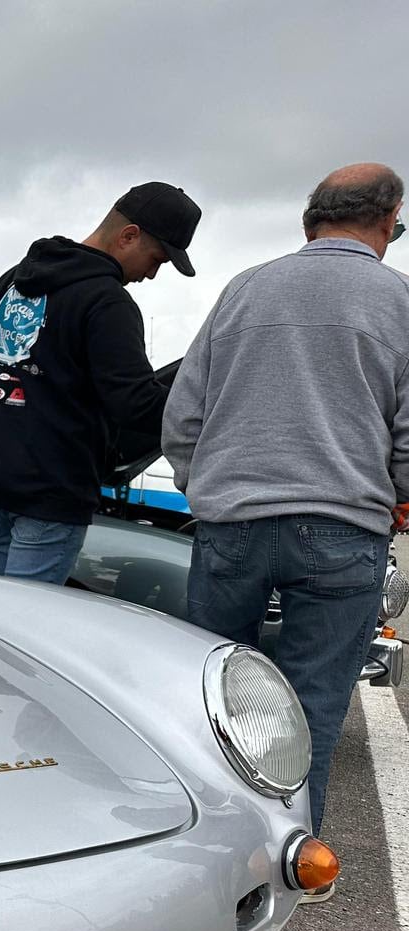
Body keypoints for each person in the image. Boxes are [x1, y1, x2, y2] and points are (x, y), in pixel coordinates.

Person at [162, 163, 409, 875]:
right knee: (312, 706)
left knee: (212, 698)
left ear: (311, 220)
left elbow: (183, 416)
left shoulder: (245, 289)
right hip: (343, 525)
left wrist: (204, 485)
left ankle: (204, 860)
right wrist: (395, 496)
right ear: (387, 219)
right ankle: (284, 862)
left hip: (232, 522)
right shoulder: (398, 299)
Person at [0, 181, 200, 584]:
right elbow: (134, 404)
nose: (152, 274)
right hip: (50, 496)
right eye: (157, 259)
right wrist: (208, 407)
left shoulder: (13, 281)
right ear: (129, 235)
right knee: (24, 632)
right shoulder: (107, 300)